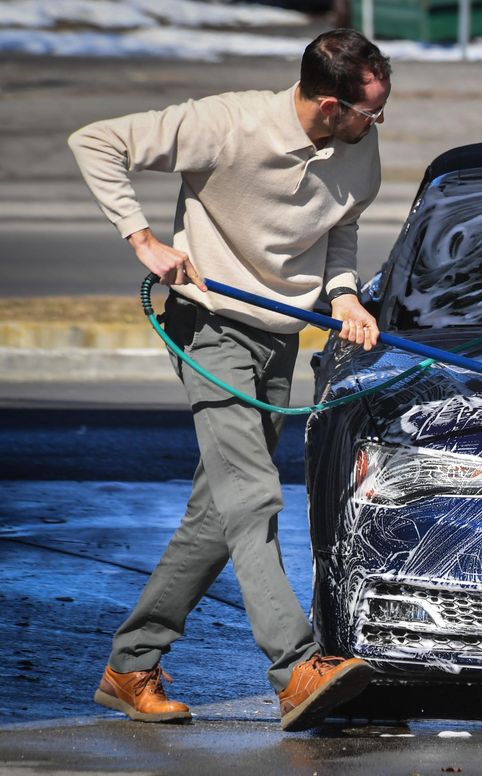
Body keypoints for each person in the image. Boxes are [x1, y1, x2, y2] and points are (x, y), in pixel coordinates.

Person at [67, 28, 391, 732]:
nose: (378, 124)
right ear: (329, 104)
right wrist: (143, 237)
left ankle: (131, 666)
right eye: (370, 112)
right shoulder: (227, 123)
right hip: (209, 326)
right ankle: (295, 666)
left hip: (279, 335)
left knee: (218, 511)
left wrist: (341, 296)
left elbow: (341, 226)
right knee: (251, 495)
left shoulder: (357, 148)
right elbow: (95, 141)